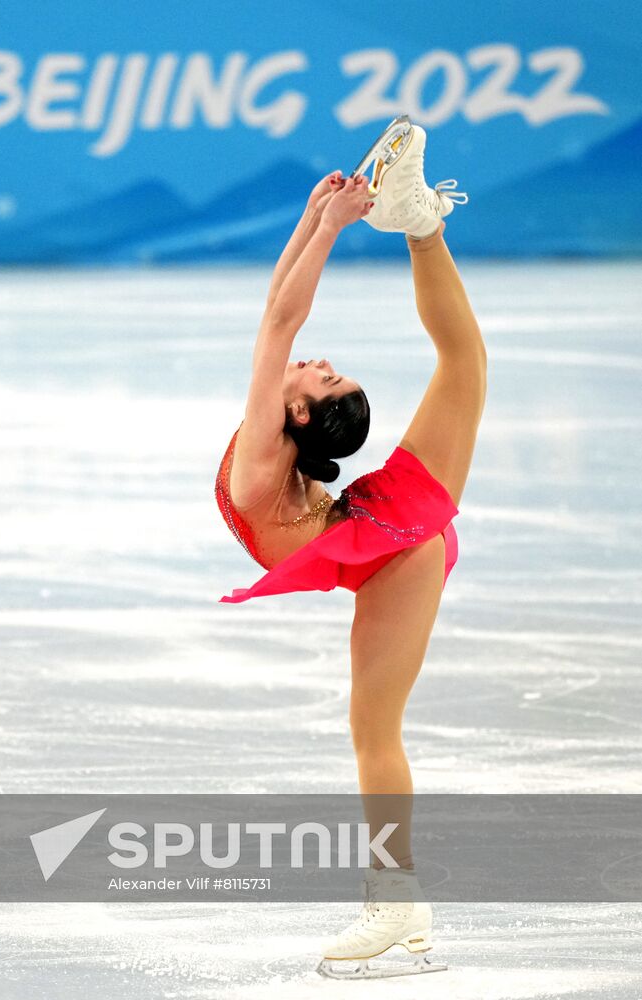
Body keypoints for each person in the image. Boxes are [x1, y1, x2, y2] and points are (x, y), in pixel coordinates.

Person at [213, 119, 485, 979]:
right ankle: (420, 224)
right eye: (327, 371)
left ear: (296, 413)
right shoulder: (269, 452)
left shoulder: (267, 445)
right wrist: (311, 221)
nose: (317, 361)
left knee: (373, 724)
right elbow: (276, 316)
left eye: (322, 375)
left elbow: (279, 317)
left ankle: (392, 899)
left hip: (391, 543)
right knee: (465, 361)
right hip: (372, 532)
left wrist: (325, 227)